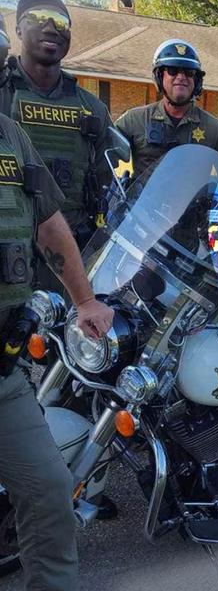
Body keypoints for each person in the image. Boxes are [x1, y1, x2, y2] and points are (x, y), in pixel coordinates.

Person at [0, 111, 114, 591]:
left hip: (3, 372)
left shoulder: (10, 134)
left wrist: (84, 300)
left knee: (49, 490)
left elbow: (47, 223)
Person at [2, 0, 117, 257]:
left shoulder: (93, 109)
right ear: (18, 30)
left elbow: (110, 183)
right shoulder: (3, 93)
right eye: (39, 18)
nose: (51, 28)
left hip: (72, 253)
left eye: (61, 22)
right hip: (9, 249)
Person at [116, 38, 218, 176]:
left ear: (196, 81)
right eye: (173, 70)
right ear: (159, 76)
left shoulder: (215, 130)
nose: (181, 77)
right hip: (146, 191)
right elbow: (104, 156)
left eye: (189, 72)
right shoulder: (134, 120)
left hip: (194, 191)